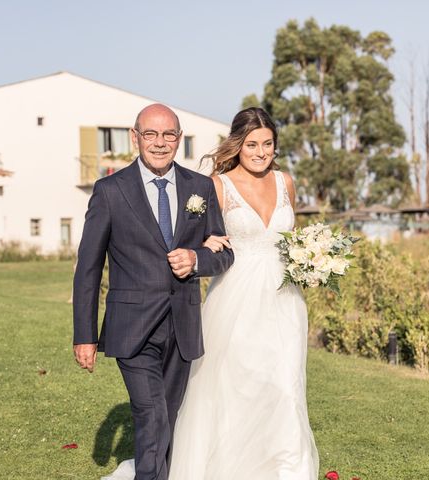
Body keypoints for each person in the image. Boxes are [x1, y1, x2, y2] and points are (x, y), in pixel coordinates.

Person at [73, 103, 234, 480]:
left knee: (170, 415)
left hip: (182, 325)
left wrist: (196, 260)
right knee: (152, 412)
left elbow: (224, 253)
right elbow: (88, 269)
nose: (159, 143)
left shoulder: (200, 187)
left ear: (178, 139)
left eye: (168, 135)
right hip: (131, 326)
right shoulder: (110, 191)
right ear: (135, 137)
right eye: (151, 134)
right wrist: (85, 335)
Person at [168, 107, 319, 478]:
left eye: (268, 144)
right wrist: (205, 242)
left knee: (285, 384)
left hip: (285, 300)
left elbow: (289, 240)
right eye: (252, 144)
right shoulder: (217, 186)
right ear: (238, 144)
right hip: (236, 298)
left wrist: (311, 257)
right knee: (238, 385)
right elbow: (191, 239)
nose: (260, 152)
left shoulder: (286, 182)